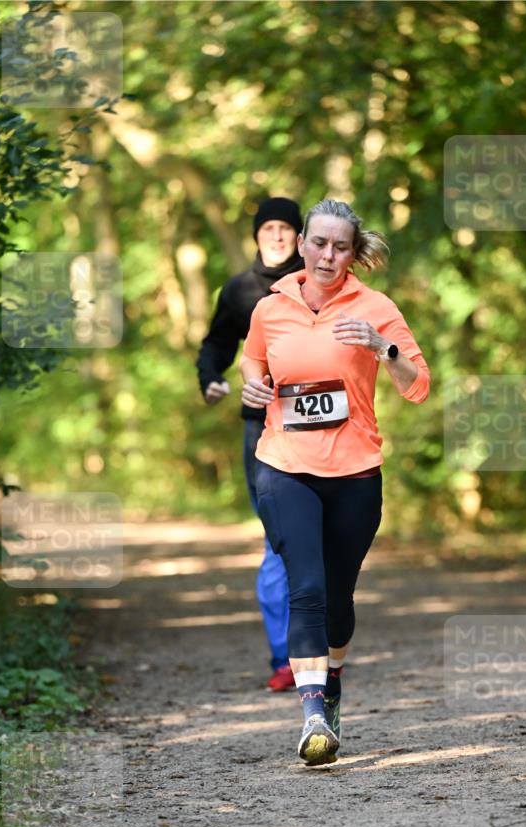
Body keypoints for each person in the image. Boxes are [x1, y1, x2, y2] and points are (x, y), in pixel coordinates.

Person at [240, 198, 430, 765]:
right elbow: (253, 360)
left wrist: (381, 346)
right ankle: (314, 715)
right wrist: (255, 384)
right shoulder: (271, 307)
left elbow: (417, 384)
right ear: (301, 244)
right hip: (284, 464)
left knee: (340, 598)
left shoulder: (376, 307)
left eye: (340, 246)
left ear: (353, 252)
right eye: (318, 243)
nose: (327, 255)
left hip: (353, 472)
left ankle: (334, 680)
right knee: (307, 589)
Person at [196, 197, 304, 691]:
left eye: (286, 228)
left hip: (324, 429)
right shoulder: (241, 290)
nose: (278, 236)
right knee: (277, 538)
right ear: (257, 235)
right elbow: (216, 343)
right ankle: (287, 657)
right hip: (262, 427)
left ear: (300, 235)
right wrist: (210, 378)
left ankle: (322, 645)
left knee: (322, 540)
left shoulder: (321, 280)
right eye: (269, 228)